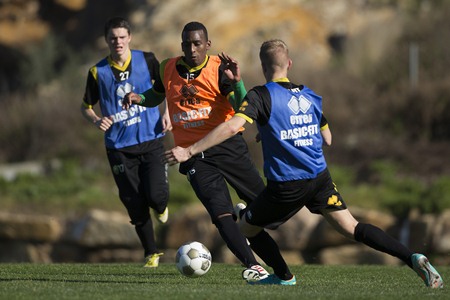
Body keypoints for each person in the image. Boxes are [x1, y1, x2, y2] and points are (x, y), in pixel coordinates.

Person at [163, 39, 444, 288]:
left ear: (263, 66)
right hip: (320, 178)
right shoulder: (310, 95)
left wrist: (189, 151)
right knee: (352, 228)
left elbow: (231, 127)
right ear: (289, 63)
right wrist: (277, 130)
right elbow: (328, 138)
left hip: (287, 185)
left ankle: (284, 277)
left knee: (245, 227)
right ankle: (413, 257)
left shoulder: (261, 95)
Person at [122, 21, 270, 280]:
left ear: (207, 45)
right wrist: (140, 99)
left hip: (227, 145)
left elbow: (241, 104)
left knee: (267, 209)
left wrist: (237, 82)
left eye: (197, 43)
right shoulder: (167, 67)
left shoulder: (219, 69)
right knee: (220, 213)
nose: (191, 49)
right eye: (186, 44)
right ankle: (252, 265)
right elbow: (159, 93)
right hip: (192, 155)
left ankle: (244, 215)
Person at [81, 16, 171, 268]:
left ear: (129, 37)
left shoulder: (148, 60)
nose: (117, 41)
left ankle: (161, 204)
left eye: (122, 37)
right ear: (106, 40)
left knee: (155, 196)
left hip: (151, 138)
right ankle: (151, 253)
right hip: (119, 148)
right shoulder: (97, 72)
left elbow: (168, 89)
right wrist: (96, 120)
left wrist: (168, 113)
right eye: (113, 38)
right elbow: (85, 106)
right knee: (133, 201)